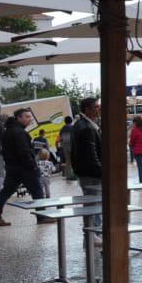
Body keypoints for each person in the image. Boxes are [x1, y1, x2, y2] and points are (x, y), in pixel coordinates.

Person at [0, 107, 47, 211]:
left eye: (30, 117)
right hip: (25, 168)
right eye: (27, 117)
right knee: (37, 191)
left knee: (6, 191)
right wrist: (33, 166)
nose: (30, 119)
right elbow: (24, 152)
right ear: (19, 118)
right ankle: (42, 216)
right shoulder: (20, 132)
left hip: (12, 168)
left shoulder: (8, 131)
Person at [71, 97, 104, 232]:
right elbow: (91, 154)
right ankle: (93, 233)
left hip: (86, 171)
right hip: (91, 173)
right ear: (87, 109)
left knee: (92, 203)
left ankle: (93, 233)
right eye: (96, 107)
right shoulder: (86, 127)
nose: (98, 109)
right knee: (93, 204)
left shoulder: (83, 124)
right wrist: (101, 171)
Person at [57, 114, 76, 181]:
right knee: (74, 160)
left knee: (68, 161)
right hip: (72, 146)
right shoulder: (73, 127)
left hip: (65, 146)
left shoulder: (62, 129)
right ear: (71, 121)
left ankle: (68, 176)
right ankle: (74, 175)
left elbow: (60, 138)